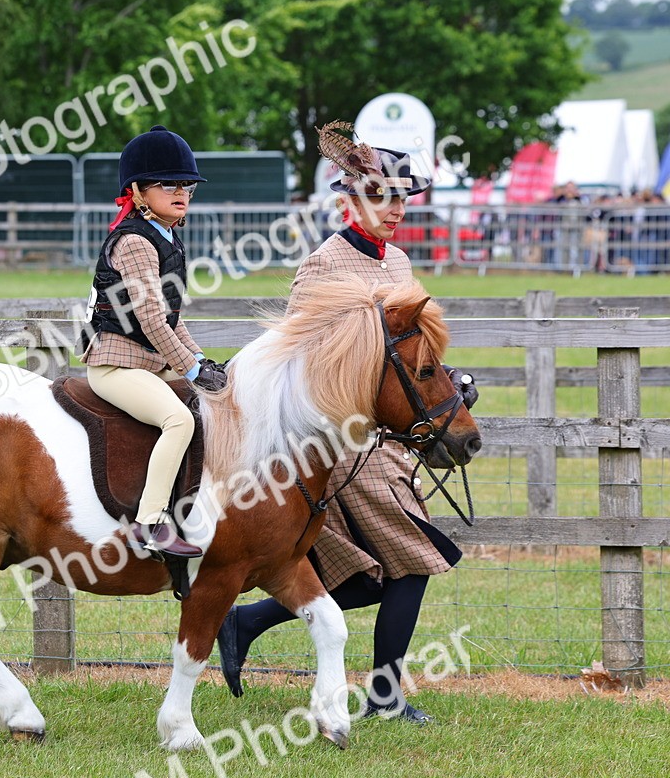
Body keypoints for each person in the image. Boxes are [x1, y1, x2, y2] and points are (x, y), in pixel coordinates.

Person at [216, 121, 478, 724]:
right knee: (414, 560)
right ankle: (384, 697)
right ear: (350, 200)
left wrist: (446, 385)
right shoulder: (322, 266)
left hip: (392, 443)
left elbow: (408, 351)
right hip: (343, 443)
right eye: (382, 198)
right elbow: (298, 356)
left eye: (402, 200)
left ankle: (246, 620)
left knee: (370, 577)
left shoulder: (400, 262)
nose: (394, 212)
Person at [79, 125, 227, 558]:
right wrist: (192, 369)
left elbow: (171, 319)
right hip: (115, 365)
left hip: (147, 363)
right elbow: (151, 321)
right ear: (139, 192)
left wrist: (201, 359)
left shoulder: (166, 237)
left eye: (187, 185)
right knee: (178, 420)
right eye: (169, 184)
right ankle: (149, 523)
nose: (182, 192)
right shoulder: (135, 242)